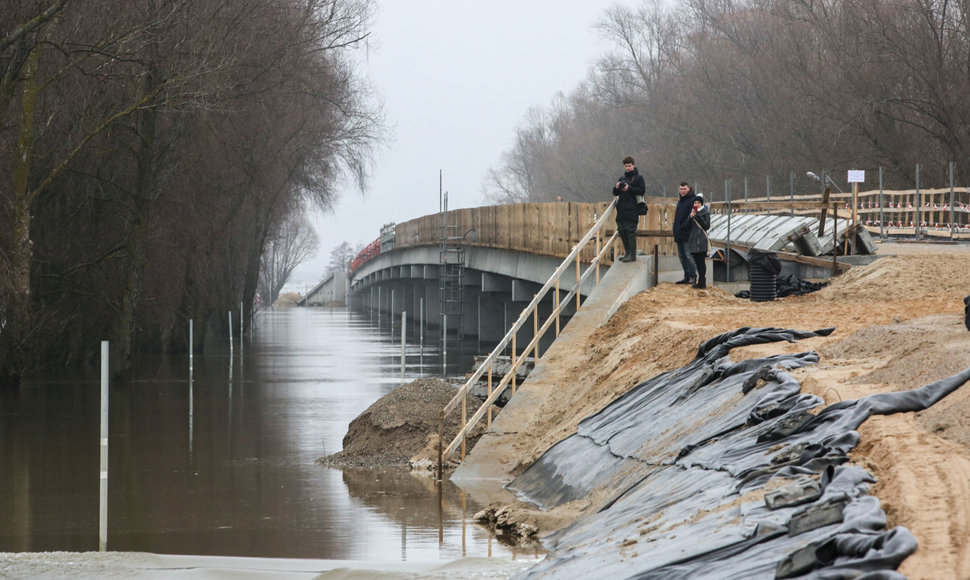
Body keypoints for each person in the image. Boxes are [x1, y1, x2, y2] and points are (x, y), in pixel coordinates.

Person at [612, 156, 646, 262]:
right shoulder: (622, 178)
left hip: (632, 209)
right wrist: (617, 187)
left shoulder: (639, 178)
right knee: (621, 231)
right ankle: (627, 252)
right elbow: (615, 193)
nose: (627, 168)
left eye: (629, 166)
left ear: (633, 165)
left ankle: (632, 254)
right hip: (621, 209)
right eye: (626, 166)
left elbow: (641, 190)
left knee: (630, 231)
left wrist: (629, 188)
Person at [673, 182, 698, 283]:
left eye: (684, 189)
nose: (682, 191)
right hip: (679, 232)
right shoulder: (680, 202)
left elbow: (693, 217)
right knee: (682, 256)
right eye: (681, 189)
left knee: (689, 255)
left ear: (689, 189)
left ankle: (693, 275)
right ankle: (686, 275)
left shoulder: (693, 201)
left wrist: (685, 225)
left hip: (688, 233)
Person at [687, 193, 711, 289]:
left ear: (701, 204)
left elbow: (706, 226)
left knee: (701, 263)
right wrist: (690, 217)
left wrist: (697, 216)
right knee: (697, 262)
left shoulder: (705, 213)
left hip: (702, 241)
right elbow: (687, 226)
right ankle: (699, 282)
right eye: (695, 202)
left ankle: (702, 282)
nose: (696, 204)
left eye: (698, 203)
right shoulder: (692, 212)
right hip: (694, 242)